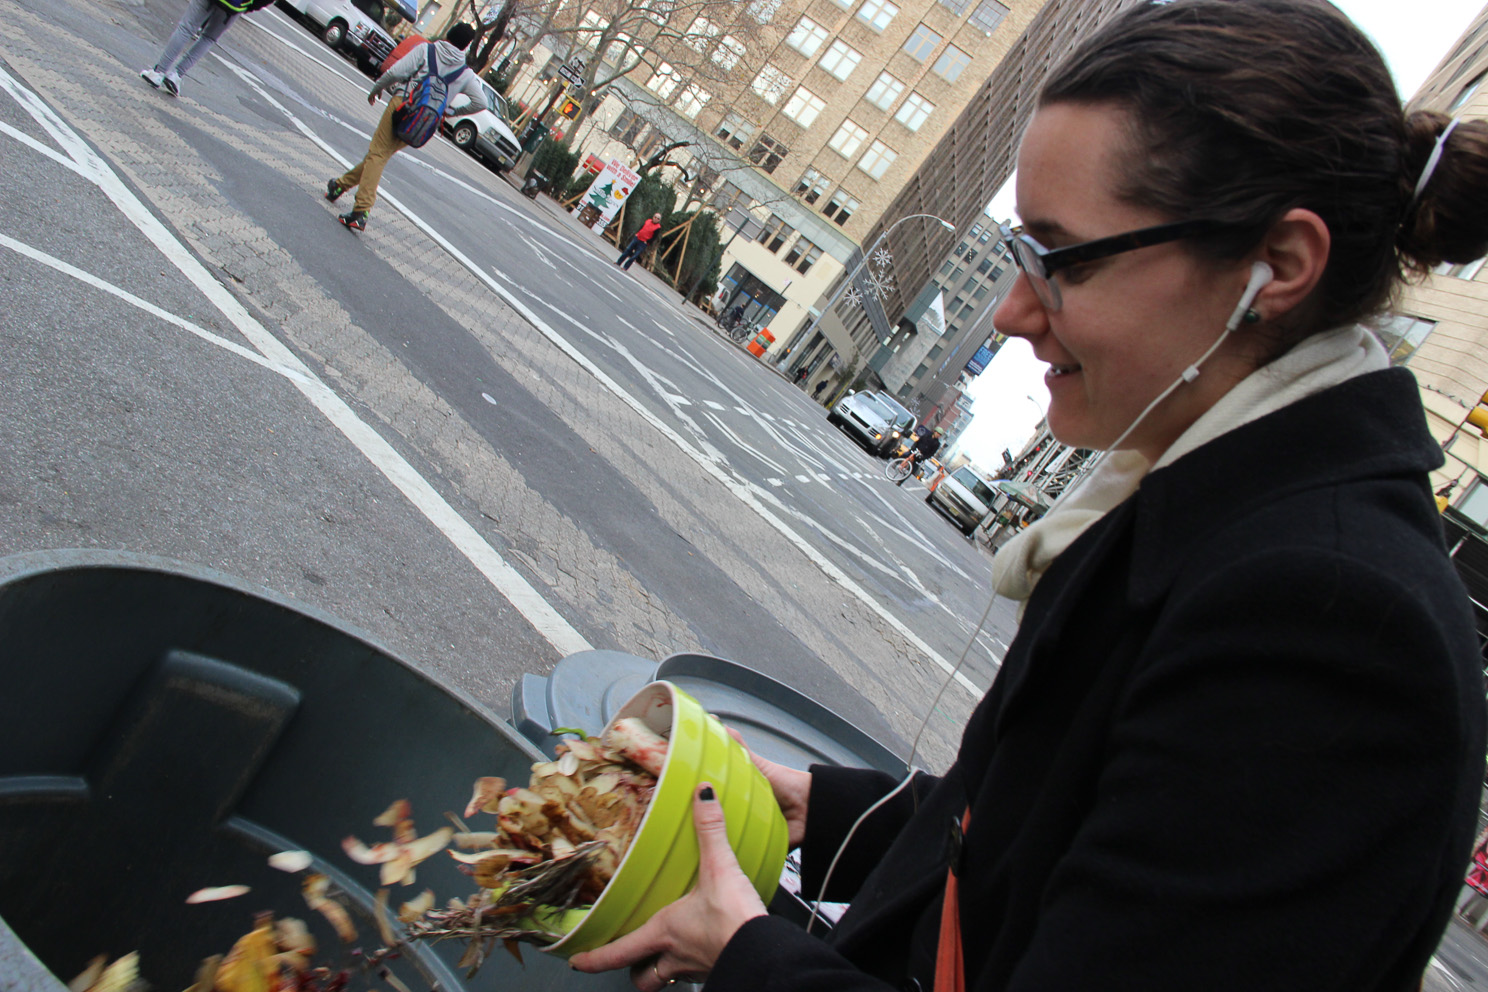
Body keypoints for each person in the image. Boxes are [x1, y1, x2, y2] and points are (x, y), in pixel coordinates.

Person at [569, 2, 1488, 990]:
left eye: (1064, 260)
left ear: (1279, 268)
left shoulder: (1334, 626)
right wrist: (817, 808)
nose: (1013, 311)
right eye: (1018, 254)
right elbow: (1055, 834)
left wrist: (747, 955)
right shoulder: (1207, 498)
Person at [324, 23, 486, 232]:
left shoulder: (426, 49)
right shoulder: (465, 73)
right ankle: (339, 185)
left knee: (377, 153)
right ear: (465, 46)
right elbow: (481, 102)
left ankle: (361, 211)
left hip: (402, 106)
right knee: (380, 154)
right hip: (424, 121)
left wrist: (377, 88)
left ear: (449, 34)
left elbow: (396, 72)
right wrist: (451, 112)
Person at [139, 0, 274, 98]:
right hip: (235, 5)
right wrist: (248, 6)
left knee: (186, 28)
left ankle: (159, 72)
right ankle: (176, 75)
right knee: (208, 38)